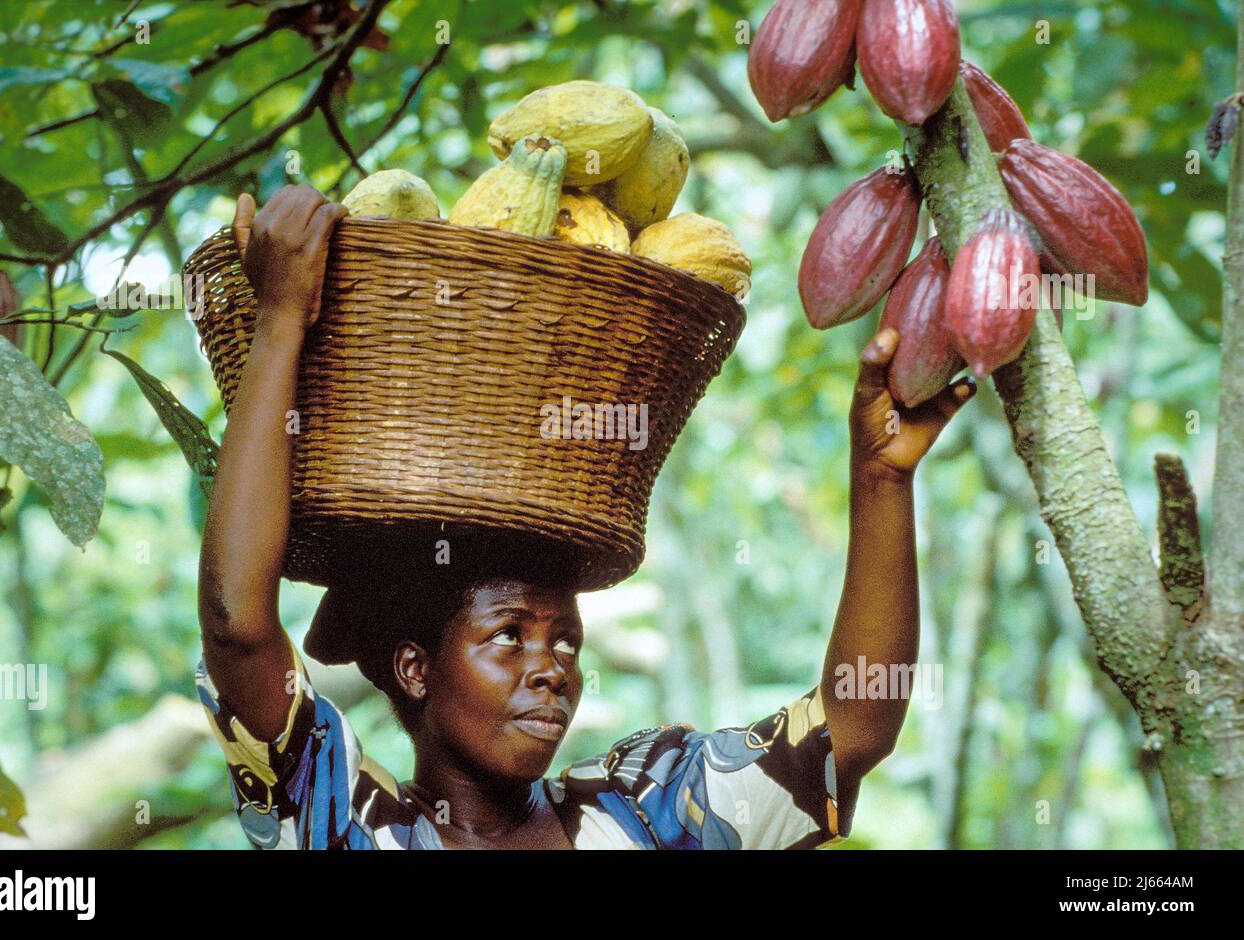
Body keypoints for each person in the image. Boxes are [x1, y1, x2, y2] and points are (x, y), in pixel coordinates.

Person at [195, 184, 976, 850]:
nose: (554, 668)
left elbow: (852, 732)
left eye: (564, 639)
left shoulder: (651, 812)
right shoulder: (355, 826)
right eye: (511, 635)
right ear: (416, 669)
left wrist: (880, 478)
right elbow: (239, 626)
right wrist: (281, 319)